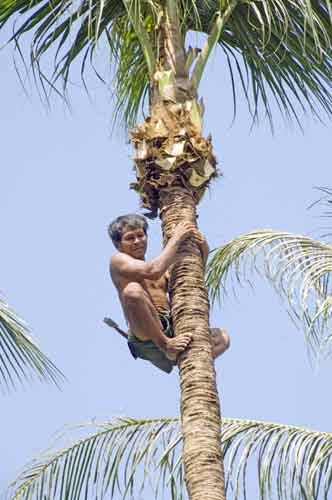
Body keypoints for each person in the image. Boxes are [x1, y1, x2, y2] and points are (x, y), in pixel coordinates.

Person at [107, 214, 230, 373]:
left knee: (223, 337)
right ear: (118, 244)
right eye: (130, 238)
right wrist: (176, 238)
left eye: (140, 235)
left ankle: (190, 361)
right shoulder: (118, 260)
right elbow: (152, 270)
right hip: (147, 334)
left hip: (170, 326)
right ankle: (167, 346)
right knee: (132, 291)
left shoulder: (160, 268)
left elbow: (186, 281)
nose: (137, 241)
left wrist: (203, 248)